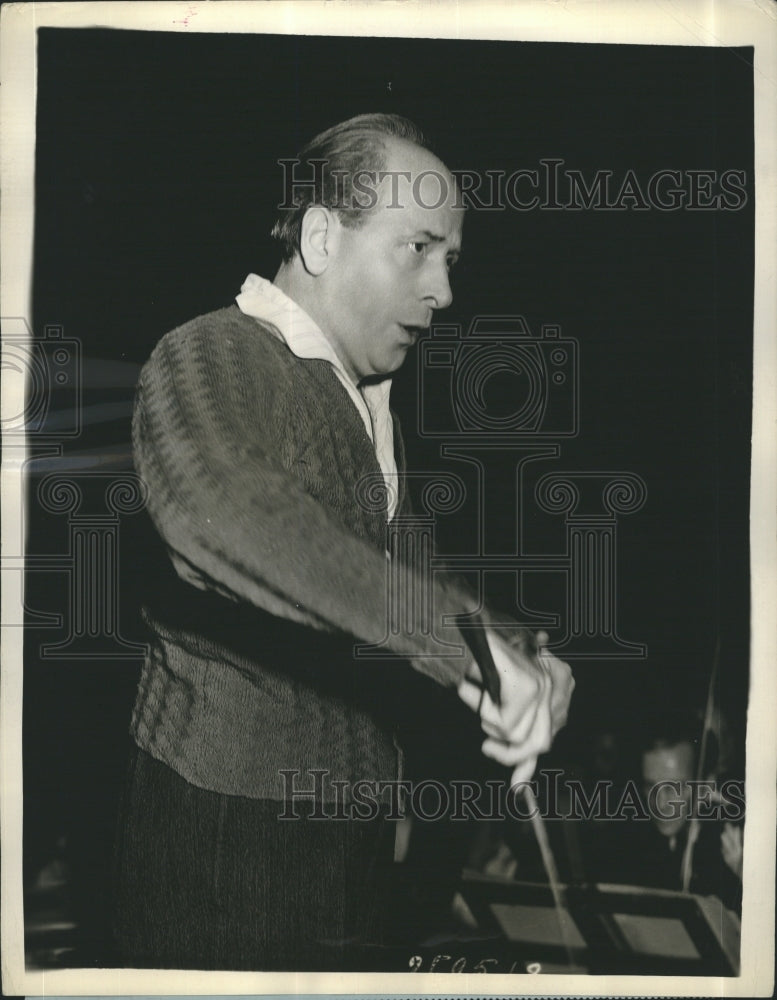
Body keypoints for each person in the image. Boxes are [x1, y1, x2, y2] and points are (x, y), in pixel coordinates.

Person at [112, 113, 574, 971]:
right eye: (419, 249)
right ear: (322, 237)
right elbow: (219, 510)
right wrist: (459, 649)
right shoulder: (215, 350)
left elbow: (413, 584)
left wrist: (521, 659)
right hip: (230, 847)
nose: (444, 291)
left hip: (338, 851)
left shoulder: (364, 412)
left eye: (452, 260)